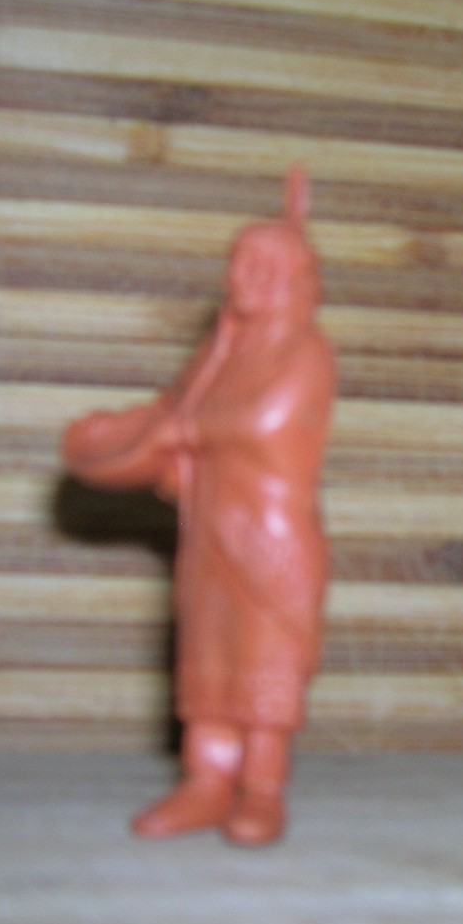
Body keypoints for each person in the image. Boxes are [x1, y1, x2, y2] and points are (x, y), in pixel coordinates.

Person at [61, 169, 336, 845]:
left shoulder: (307, 352)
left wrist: (184, 430)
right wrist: (130, 431)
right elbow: (176, 405)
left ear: (289, 280)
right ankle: (206, 782)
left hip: (267, 540)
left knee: (264, 662)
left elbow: (263, 421)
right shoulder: (220, 352)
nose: (240, 277)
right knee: (208, 658)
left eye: (259, 267)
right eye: (237, 262)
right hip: (208, 534)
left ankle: (261, 791)